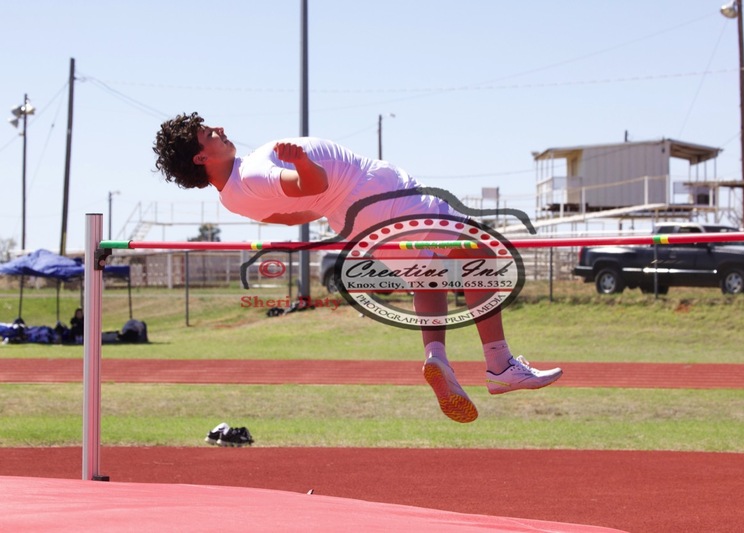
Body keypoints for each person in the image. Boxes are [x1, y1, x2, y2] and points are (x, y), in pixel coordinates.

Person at [153, 112, 562, 423]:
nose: (219, 129)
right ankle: (500, 364)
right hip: (375, 194)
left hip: (355, 215)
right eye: (208, 133)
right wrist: (302, 164)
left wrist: (336, 205)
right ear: (200, 156)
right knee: (480, 254)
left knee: (429, 273)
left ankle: (437, 355)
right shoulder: (256, 172)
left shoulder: (231, 197)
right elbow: (312, 186)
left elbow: (294, 216)